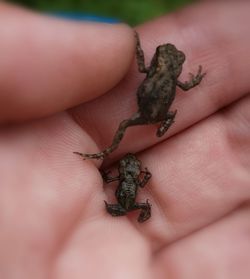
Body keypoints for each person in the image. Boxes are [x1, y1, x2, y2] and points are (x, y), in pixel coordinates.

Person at [0, 1, 249, 278]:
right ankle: (160, 126)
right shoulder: (173, 80)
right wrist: (194, 79)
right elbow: (188, 85)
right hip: (157, 113)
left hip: (143, 113)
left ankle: (108, 149)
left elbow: (141, 64)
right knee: (154, 116)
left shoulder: (152, 70)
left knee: (123, 124)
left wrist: (138, 45)